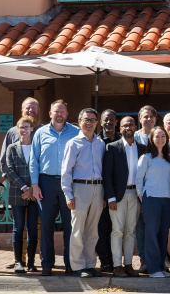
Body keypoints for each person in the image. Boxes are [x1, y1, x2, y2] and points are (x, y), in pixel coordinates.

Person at [30, 99, 80, 276]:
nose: (59, 114)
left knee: (70, 226)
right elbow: (33, 161)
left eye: (62, 111)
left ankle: (70, 264)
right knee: (46, 226)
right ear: (50, 114)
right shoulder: (40, 133)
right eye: (56, 111)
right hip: (46, 183)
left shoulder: (76, 132)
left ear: (67, 114)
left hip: (69, 184)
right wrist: (35, 185)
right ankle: (47, 264)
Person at [61, 108, 106, 278]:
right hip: (80, 188)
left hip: (98, 188)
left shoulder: (100, 143)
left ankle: (89, 264)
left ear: (97, 123)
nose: (89, 122)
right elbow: (66, 171)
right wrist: (68, 195)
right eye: (86, 119)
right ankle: (78, 266)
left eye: (93, 120)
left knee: (92, 230)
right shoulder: (73, 143)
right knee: (78, 229)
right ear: (79, 122)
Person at [0, 97, 41, 273]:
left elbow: (43, 164)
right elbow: (5, 164)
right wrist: (23, 187)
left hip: (36, 190)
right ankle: (19, 260)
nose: (30, 111)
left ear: (38, 110)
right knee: (18, 227)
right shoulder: (11, 133)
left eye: (33, 108)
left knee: (33, 227)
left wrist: (34, 187)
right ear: (22, 110)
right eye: (27, 108)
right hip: (18, 190)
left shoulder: (42, 133)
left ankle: (32, 261)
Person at [103, 115, 146, 278]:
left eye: (131, 125)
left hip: (136, 194)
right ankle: (117, 265)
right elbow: (107, 174)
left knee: (131, 231)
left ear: (135, 127)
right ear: (120, 128)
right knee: (117, 231)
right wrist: (111, 197)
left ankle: (128, 264)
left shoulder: (142, 148)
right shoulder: (112, 147)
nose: (128, 128)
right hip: (118, 196)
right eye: (125, 125)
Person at [136, 126, 170, 278]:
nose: (160, 139)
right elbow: (138, 179)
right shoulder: (146, 157)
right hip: (151, 199)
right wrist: (142, 198)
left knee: (163, 235)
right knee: (151, 233)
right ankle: (153, 269)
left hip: (167, 200)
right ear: (151, 139)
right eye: (157, 136)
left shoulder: (168, 157)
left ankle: (160, 266)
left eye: (163, 136)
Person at [133, 105, 157, 271]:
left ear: (155, 119)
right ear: (139, 118)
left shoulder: (160, 136)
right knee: (140, 226)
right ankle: (143, 260)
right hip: (137, 189)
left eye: (151, 117)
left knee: (155, 226)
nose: (148, 119)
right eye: (145, 116)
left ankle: (157, 259)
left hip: (157, 190)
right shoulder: (133, 138)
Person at [96, 109, 119, 272]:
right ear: (101, 122)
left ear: (116, 122)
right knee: (102, 228)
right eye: (106, 120)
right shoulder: (96, 141)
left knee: (117, 228)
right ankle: (105, 260)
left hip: (120, 192)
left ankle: (116, 259)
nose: (109, 123)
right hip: (102, 193)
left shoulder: (122, 140)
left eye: (112, 120)